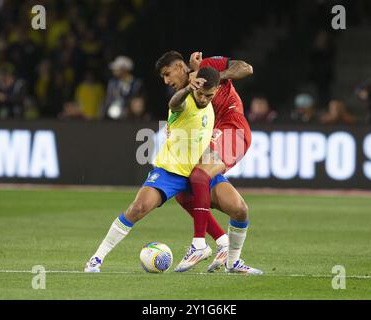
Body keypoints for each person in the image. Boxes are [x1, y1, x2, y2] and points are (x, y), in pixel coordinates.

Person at [84, 67, 222, 273]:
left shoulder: (211, 103)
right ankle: (96, 258)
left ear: (216, 91)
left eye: (208, 95)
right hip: (170, 171)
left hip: (198, 173)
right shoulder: (186, 101)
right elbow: (174, 103)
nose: (202, 98)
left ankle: (231, 254)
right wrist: (186, 90)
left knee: (237, 208)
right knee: (137, 208)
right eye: (199, 93)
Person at [157, 51, 262, 274]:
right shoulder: (185, 93)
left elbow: (246, 68)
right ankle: (229, 253)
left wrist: (215, 76)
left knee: (198, 176)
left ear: (179, 66)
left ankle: (198, 245)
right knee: (189, 193)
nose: (167, 81)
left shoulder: (207, 66)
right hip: (211, 136)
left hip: (233, 128)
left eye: (167, 74)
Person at [101, 55, 143, 120]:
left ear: (124, 69)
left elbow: (137, 100)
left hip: (130, 117)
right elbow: (108, 100)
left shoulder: (136, 83)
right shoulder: (112, 83)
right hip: (112, 117)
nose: (114, 70)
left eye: (117, 68)